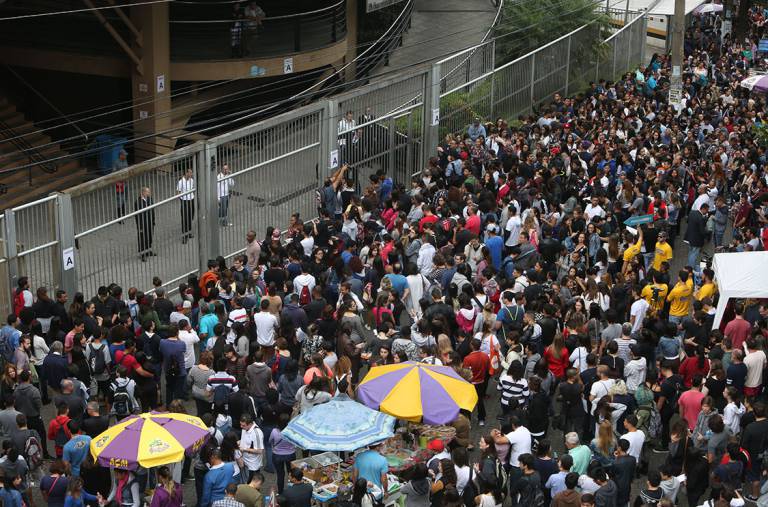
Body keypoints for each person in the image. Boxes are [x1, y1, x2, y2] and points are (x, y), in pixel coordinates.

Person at [238, 414, 264, 483]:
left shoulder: (257, 433)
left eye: (243, 425)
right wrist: (239, 442)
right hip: (245, 460)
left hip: (253, 465)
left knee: (253, 485)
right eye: (240, 424)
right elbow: (246, 440)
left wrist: (244, 449)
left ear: (250, 424)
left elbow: (260, 450)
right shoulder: (245, 428)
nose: (241, 427)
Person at [134, 186, 156, 261]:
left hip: (150, 222)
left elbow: (152, 210)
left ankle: (148, 250)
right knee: (143, 238)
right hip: (143, 224)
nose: (149, 193)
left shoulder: (150, 199)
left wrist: (153, 221)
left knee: (149, 237)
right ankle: (142, 254)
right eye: (147, 192)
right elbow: (137, 215)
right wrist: (139, 227)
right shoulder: (138, 202)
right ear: (143, 192)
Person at [177, 168, 195, 244]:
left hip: (191, 199)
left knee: (191, 216)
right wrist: (181, 199)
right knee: (185, 219)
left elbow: (193, 188)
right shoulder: (181, 182)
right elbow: (178, 192)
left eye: (192, 173)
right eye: (190, 173)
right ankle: (184, 236)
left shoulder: (191, 180)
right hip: (184, 201)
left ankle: (189, 232)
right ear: (186, 173)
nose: (191, 174)